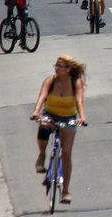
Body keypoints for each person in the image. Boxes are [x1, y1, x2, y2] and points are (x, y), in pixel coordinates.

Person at [31, 55, 87, 204]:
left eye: (60, 66)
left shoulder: (76, 82)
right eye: (55, 65)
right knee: (43, 130)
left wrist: (82, 117)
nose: (56, 68)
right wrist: (36, 112)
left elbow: (79, 101)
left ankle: (66, 191)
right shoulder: (51, 80)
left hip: (69, 117)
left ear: (68, 69)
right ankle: (42, 155)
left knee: (66, 153)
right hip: (50, 114)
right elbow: (42, 97)